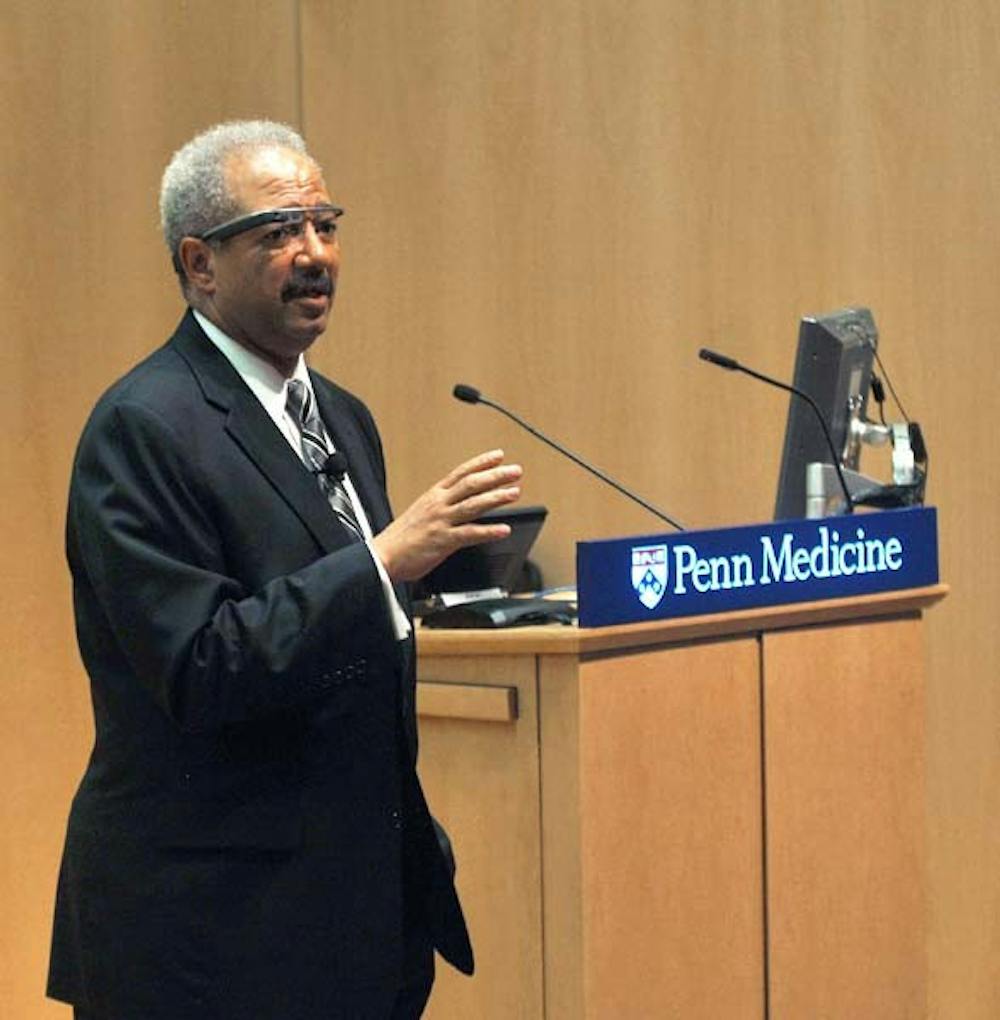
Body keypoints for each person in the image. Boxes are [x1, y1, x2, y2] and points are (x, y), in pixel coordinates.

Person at [47, 120, 522, 1020]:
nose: (315, 254)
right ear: (199, 264)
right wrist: (384, 562)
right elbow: (200, 666)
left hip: (353, 920)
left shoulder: (341, 414)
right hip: (209, 937)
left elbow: (340, 623)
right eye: (279, 231)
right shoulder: (144, 428)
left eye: (326, 225)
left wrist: (446, 577)